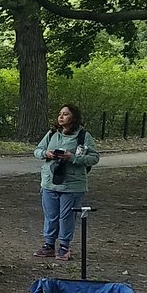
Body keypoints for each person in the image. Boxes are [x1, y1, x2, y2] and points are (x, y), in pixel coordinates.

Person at [33, 104, 99, 261]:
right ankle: (48, 245)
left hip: (72, 184)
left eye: (66, 114)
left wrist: (73, 158)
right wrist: (46, 154)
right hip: (50, 182)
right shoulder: (52, 134)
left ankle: (64, 247)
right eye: (60, 114)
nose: (61, 117)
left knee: (67, 216)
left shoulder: (84, 136)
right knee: (50, 215)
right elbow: (37, 150)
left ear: (74, 118)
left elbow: (94, 158)